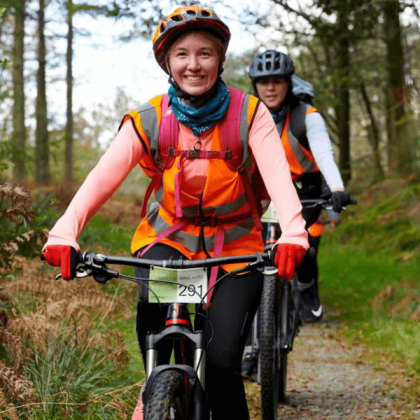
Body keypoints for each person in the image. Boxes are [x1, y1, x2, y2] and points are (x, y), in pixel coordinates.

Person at [41, 8, 309, 420]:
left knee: (221, 365)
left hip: (235, 251)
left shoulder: (249, 114)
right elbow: (100, 180)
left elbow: (278, 180)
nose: (194, 64)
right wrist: (65, 232)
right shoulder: (149, 119)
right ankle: (155, 392)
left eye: (205, 53)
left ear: (220, 59)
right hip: (168, 242)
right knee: (158, 338)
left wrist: (293, 232)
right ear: (167, 62)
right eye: (182, 54)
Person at [248, 49, 351, 323]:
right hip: (265, 191)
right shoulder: (246, 116)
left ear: (289, 83)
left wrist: (337, 189)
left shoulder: (307, 116)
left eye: (277, 81)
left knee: (303, 241)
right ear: (255, 86)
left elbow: (324, 155)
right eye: (263, 82)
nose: (270, 88)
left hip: (307, 190)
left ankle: (306, 288)